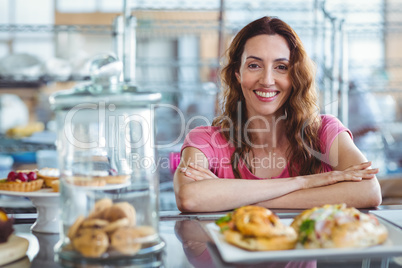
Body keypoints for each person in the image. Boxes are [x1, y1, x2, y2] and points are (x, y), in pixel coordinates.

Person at [173, 16, 382, 212]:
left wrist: (231, 196)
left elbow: (369, 191)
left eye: (281, 67)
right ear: (238, 73)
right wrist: (303, 183)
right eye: (254, 65)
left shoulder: (324, 131)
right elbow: (190, 197)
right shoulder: (205, 140)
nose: (267, 79)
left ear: (295, 76)